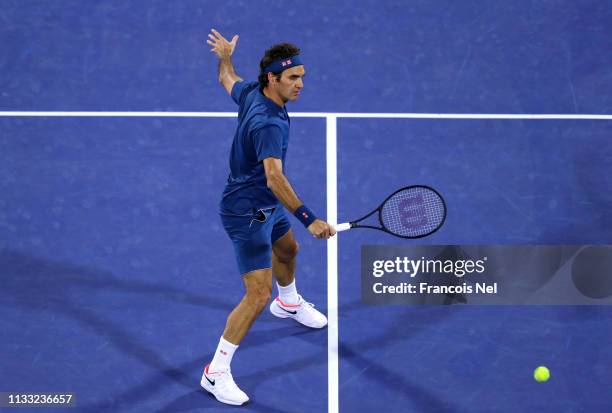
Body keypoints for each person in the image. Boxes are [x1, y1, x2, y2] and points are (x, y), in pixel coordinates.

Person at [202, 29, 336, 406]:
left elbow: (225, 78)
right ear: (272, 79)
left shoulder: (250, 94)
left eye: (302, 77)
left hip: (267, 205)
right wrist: (309, 217)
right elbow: (274, 177)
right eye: (293, 78)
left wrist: (225, 57)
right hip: (247, 211)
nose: (300, 85)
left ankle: (289, 302)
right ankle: (215, 372)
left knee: (288, 248)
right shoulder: (269, 124)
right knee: (256, 295)